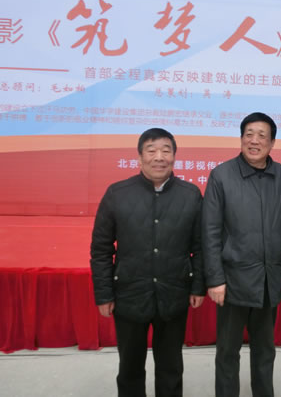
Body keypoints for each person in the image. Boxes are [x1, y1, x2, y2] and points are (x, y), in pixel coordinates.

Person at [90, 127, 205, 397]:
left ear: (174, 157)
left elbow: (200, 247)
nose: (159, 157)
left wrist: (198, 286)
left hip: (174, 293)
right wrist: (104, 294)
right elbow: (101, 250)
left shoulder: (190, 195)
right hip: (129, 294)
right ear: (139, 157)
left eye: (166, 150)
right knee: (130, 367)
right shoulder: (117, 194)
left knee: (171, 367)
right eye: (151, 150)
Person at [202, 112, 281, 397]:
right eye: (249, 134)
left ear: (272, 142)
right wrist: (215, 279)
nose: (254, 141)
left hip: (268, 281)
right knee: (228, 352)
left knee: (265, 351)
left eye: (262, 136)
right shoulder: (222, 175)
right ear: (241, 139)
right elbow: (210, 231)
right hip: (232, 282)